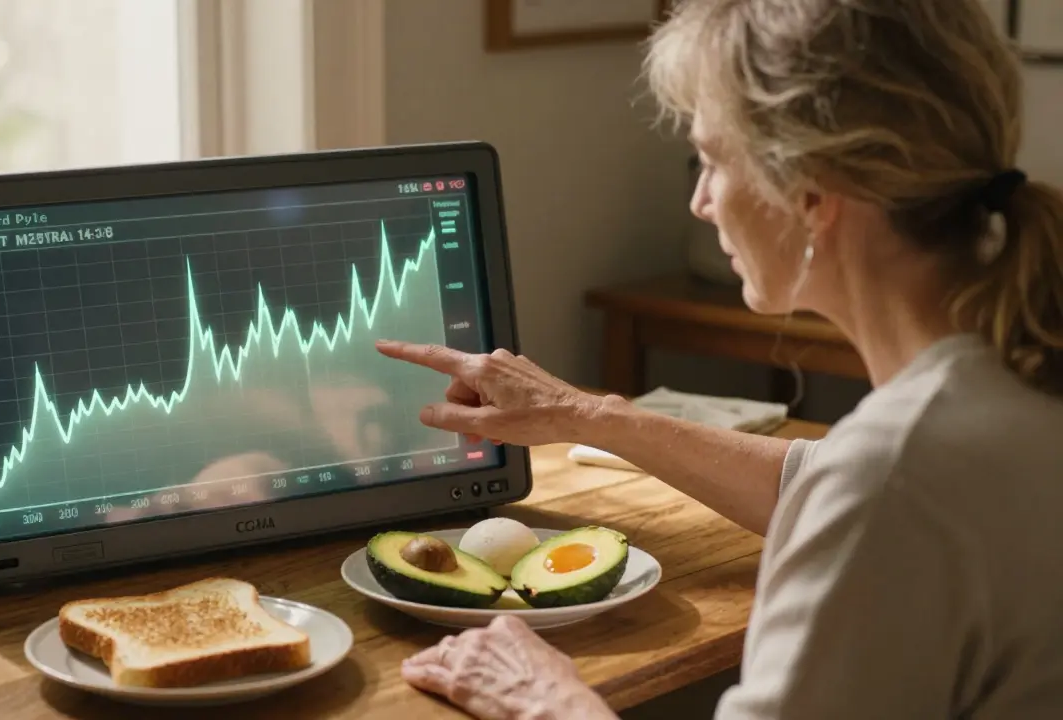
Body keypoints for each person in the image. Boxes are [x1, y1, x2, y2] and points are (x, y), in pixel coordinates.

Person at [373, 0, 1063, 718]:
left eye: (711, 158)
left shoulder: (895, 477)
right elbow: (827, 484)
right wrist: (591, 416)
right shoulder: (1011, 373)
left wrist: (546, 699)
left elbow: (869, 492)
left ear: (810, 191)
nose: (702, 201)